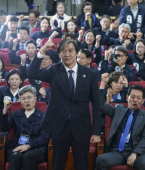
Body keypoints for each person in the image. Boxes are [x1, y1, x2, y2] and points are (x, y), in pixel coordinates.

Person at [28, 39, 101, 170]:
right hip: (59, 126)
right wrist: (42, 51)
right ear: (59, 54)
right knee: (58, 164)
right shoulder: (53, 70)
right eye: (63, 51)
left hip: (81, 126)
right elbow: (31, 73)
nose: (67, 54)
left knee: (82, 165)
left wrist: (96, 132)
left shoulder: (90, 74)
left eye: (70, 50)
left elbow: (96, 104)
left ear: (77, 53)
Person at [96, 84, 145, 170]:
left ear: (143, 101)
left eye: (138, 98)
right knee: (100, 160)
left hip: (134, 151)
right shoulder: (118, 110)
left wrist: (135, 153)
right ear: (127, 97)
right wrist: (102, 85)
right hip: (116, 152)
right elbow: (100, 105)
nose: (135, 100)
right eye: (133, 97)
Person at [1, 85, 49, 170]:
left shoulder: (43, 116)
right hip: (17, 145)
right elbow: (4, 129)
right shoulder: (15, 114)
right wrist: (5, 110)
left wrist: (29, 145)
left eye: (29, 97)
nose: (27, 101)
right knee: (16, 156)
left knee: (28, 156)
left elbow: (44, 137)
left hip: (36, 148)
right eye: (23, 98)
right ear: (20, 100)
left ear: (35, 98)